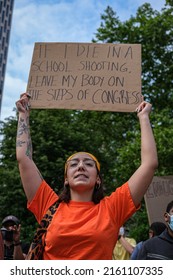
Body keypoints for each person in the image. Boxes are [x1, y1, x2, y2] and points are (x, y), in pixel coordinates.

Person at [15, 92, 158, 260]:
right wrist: (23, 115)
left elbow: (149, 164)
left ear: (98, 179)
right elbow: (24, 159)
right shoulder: (47, 204)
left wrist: (144, 117)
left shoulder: (112, 209)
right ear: (66, 179)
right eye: (74, 164)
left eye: (89, 164)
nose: (81, 166)